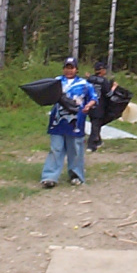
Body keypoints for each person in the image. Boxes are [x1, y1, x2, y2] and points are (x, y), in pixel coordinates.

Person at [40, 57, 98, 188]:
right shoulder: (56, 81)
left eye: (71, 67)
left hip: (76, 121)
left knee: (75, 149)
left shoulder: (84, 84)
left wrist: (88, 106)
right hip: (57, 121)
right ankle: (49, 177)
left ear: (76, 69)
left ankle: (76, 175)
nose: (69, 70)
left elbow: (94, 97)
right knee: (55, 149)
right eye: (67, 67)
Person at [86, 61, 116, 152]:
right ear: (101, 70)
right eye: (104, 69)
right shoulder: (103, 81)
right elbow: (108, 94)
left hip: (89, 106)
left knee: (95, 124)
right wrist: (114, 87)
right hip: (99, 106)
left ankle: (98, 141)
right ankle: (91, 145)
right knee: (96, 126)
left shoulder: (90, 79)